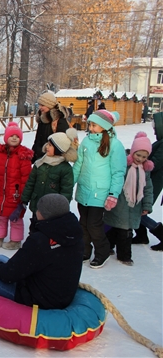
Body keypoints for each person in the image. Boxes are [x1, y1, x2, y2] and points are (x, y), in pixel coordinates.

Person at [73, 110, 126, 268]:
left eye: (94, 125)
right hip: (84, 190)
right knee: (83, 223)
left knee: (94, 225)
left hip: (100, 192)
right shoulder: (86, 142)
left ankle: (102, 252)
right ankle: (85, 251)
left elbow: (118, 172)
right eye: (90, 124)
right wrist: (70, 184)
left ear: (104, 126)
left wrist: (113, 194)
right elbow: (78, 165)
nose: (90, 127)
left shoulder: (115, 145)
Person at [104, 132, 154, 266]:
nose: (140, 159)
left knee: (124, 230)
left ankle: (117, 251)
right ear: (133, 152)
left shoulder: (145, 170)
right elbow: (114, 181)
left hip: (134, 206)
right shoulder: (123, 166)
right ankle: (119, 253)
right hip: (120, 203)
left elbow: (148, 189)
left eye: (144, 156)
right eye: (138, 155)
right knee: (119, 229)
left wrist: (147, 205)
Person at [0, 122, 33, 250]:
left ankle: (15, 240)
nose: (14, 138)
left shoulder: (23, 156)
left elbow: (26, 178)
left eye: (16, 136)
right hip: (0, 192)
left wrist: (24, 195)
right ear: (6, 138)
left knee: (15, 218)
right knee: (0, 216)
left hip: (15, 194)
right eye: (11, 136)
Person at [21, 132, 76, 232]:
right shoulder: (40, 163)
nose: (47, 147)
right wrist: (25, 199)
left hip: (52, 208)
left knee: (49, 231)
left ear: (59, 149)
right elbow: (30, 183)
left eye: (50, 145)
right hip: (37, 203)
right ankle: (33, 244)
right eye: (47, 144)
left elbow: (66, 190)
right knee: (34, 227)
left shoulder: (65, 168)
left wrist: (62, 208)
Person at [132, 112, 163, 251]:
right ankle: (141, 235)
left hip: (152, 182)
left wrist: (140, 160)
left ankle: (160, 233)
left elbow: (156, 163)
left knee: (139, 210)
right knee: (137, 208)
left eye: (156, 126)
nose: (154, 129)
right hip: (148, 180)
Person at [31, 91, 70, 162]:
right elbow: (37, 141)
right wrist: (33, 156)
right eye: (39, 105)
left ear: (49, 105)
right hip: (40, 158)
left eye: (42, 105)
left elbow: (62, 143)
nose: (40, 107)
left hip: (53, 160)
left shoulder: (59, 121)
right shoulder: (42, 119)